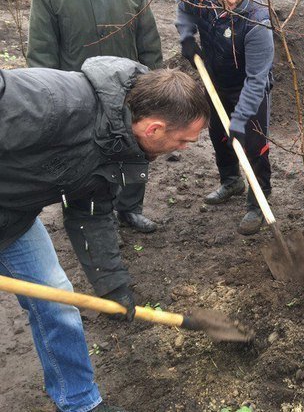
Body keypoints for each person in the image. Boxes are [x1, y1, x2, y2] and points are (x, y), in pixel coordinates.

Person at [0, 58, 209, 412]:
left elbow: (91, 212)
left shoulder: (122, 148)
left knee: (57, 301)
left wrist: (112, 287)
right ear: (155, 129)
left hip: (13, 219)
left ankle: (80, 402)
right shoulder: (55, 102)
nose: (185, 148)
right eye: (183, 141)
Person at [27, 0, 163, 234]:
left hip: (129, 91)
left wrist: (154, 88)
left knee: (133, 151)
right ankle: (87, 217)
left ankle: (129, 209)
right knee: (85, 161)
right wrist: (52, 104)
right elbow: (42, 53)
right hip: (78, 95)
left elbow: (149, 43)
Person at [176, 0, 274, 235]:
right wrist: (186, 36)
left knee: (253, 143)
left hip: (248, 84)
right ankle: (231, 180)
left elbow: (256, 79)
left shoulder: (257, 19)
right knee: (219, 134)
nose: (232, 0)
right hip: (215, 77)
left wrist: (241, 119)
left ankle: (258, 199)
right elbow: (183, 8)